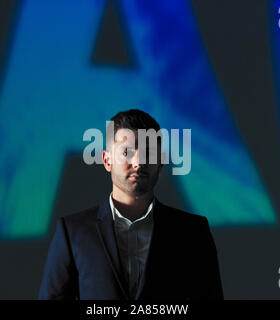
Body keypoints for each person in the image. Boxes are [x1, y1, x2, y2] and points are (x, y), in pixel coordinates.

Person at [38, 109, 223, 300]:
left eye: (148, 152)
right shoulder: (73, 233)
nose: (138, 161)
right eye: (127, 152)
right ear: (107, 160)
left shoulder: (193, 232)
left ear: (160, 163)